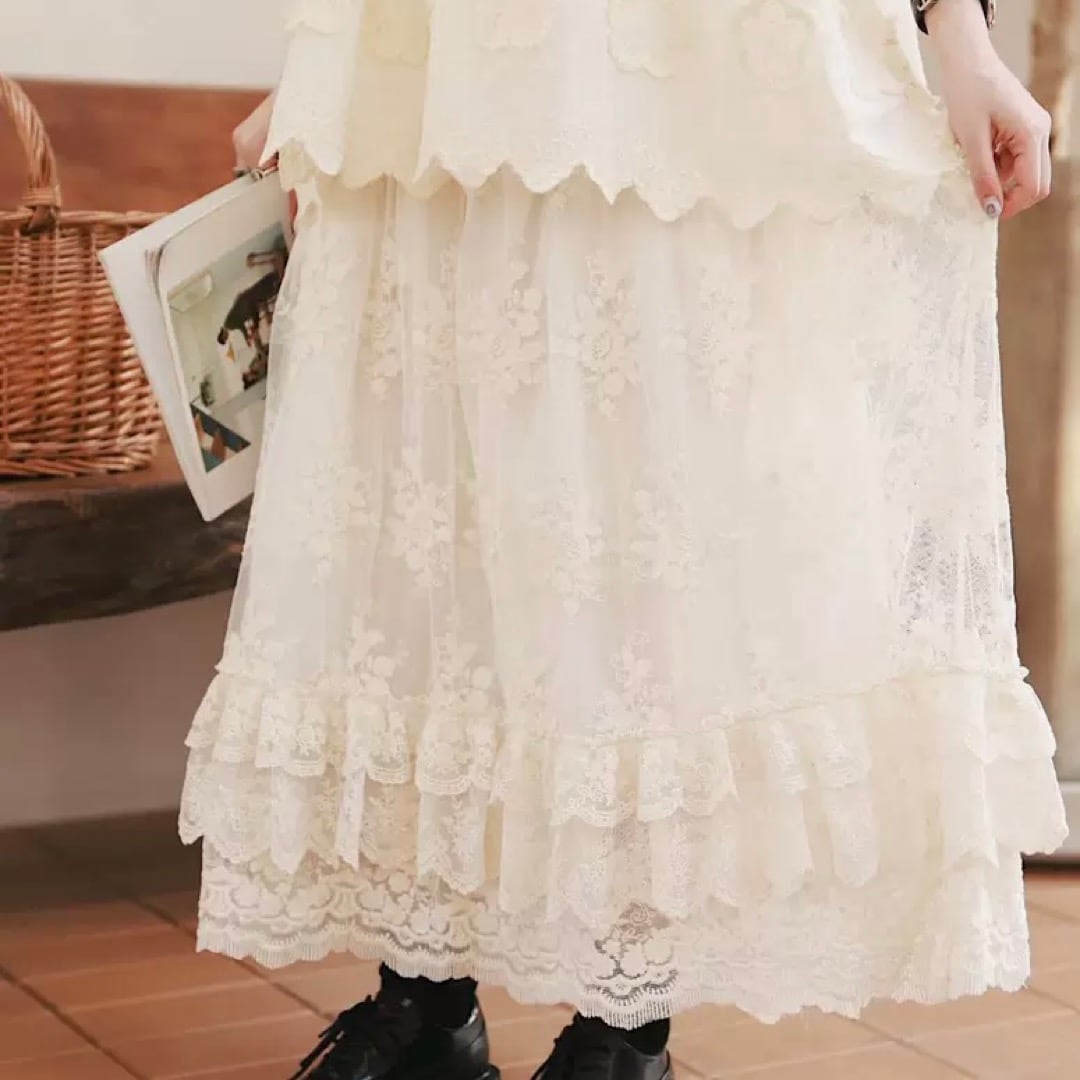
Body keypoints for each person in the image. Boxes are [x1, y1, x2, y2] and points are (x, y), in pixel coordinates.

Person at [180, 1, 1069, 1077]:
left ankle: (624, 1030)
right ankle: (425, 1007)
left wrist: (962, 37)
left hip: (698, 56)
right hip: (436, 51)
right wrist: (325, 67)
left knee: (659, 511)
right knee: (430, 505)